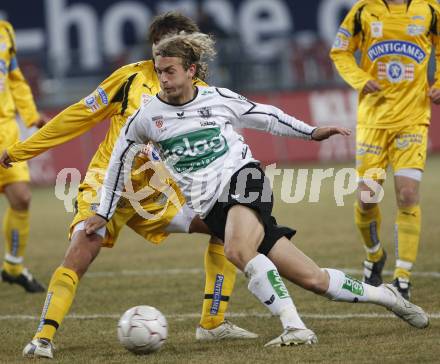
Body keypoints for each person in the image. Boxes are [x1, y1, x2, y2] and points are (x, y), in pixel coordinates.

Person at [85, 31, 429, 348]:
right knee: (314, 280)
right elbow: (118, 164)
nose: (163, 79)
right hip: (212, 207)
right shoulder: (146, 118)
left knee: (236, 250)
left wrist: (310, 132)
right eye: (159, 72)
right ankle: (385, 296)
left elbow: (267, 116)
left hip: (243, 178)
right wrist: (102, 211)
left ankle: (294, 327)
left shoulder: (217, 99)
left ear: (191, 71)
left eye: (170, 71)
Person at [0, 13, 256, 359]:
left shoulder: (205, 96)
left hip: (154, 196)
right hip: (107, 186)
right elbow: (78, 116)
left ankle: (212, 324)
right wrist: (21, 150)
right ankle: (42, 338)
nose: (162, 54)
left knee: (226, 227)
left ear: (191, 55)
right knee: (81, 251)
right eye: (158, 46)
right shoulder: (130, 79)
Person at [330, 0, 440, 300]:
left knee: (407, 195)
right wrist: (360, 79)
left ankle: (402, 277)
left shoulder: (429, 10)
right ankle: (375, 254)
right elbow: (339, 50)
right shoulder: (364, 11)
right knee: (367, 198)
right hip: (373, 122)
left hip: (412, 119)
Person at [0, 20, 48, 293]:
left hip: (5, 130)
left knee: (21, 197)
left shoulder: (5, 31)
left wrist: (31, 117)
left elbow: (15, 80)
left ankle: (13, 267)